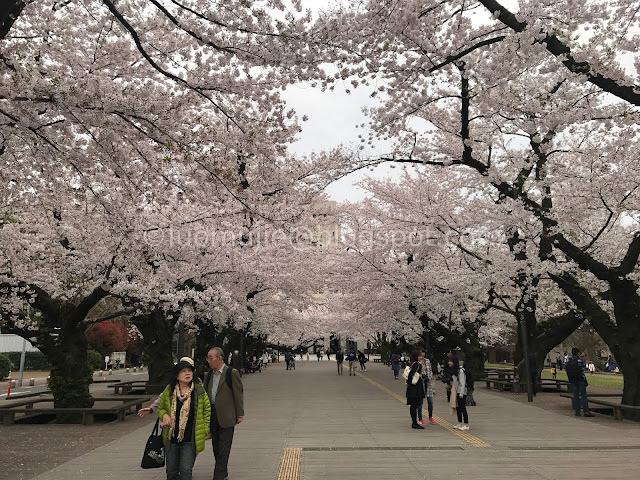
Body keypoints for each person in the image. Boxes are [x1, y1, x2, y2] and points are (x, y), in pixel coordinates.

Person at [156, 357, 211, 480]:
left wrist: (204, 429)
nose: (187, 373)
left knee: (186, 471)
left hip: (190, 439)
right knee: (171, 471)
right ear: (176, 375)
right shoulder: (169, 391)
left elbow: (207, 411)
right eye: (183, 371)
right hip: (171, 437)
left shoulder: (199, 391)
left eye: (189, 371)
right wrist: (164, 415)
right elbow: (161, 409)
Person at [203, 347, 245, 480]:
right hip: (212, 414)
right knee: (216, 446)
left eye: (211, 358)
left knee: (224, 448)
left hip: (227, 415)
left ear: (219, 358)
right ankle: (223, 472)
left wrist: (240, 414)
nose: (209, 361)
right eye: (208, 358)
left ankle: (219, 476)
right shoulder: (208, 375)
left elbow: (238, 394)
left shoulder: (231, 373)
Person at [566, 347, 594, 417]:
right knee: (583, 395)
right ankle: (586, 411)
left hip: (573, 380)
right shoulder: (580, 360)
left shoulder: (569, 361)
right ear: (578, 353)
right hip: (580, 379)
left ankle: (577, 411)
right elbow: (583, 367)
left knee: (576, 395)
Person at [405, 349, 426, 429]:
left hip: (413, 388)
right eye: (420, 356)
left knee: (413, 406)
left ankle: (414, 422)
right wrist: (410, 382)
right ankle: (414, 422)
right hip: (415, 388)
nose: (421, 357)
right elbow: (411, 375)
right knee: (414, 405)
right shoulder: (416, 364)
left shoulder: (413, 363)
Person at [450, 357, 469, 430]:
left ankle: (466, 424)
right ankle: (460, 422)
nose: (449, 363)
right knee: (458, 408)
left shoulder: (460, 371)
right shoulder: (454, 371)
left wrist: (461, 393)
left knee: (462, 407)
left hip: (461, 392)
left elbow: (462, 383)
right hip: (456, 391)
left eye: (450, 361)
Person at [418, 350, 435, 425]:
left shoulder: (427, 361)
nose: (422, 356)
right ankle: (420, 418)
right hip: (420, 383)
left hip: (428, 382)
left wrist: (429, 377)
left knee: (430, 401)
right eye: (421, 354)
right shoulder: (416, 362)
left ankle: (430, 416)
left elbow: (430, 371)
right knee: (420, 402)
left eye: (423, 354)